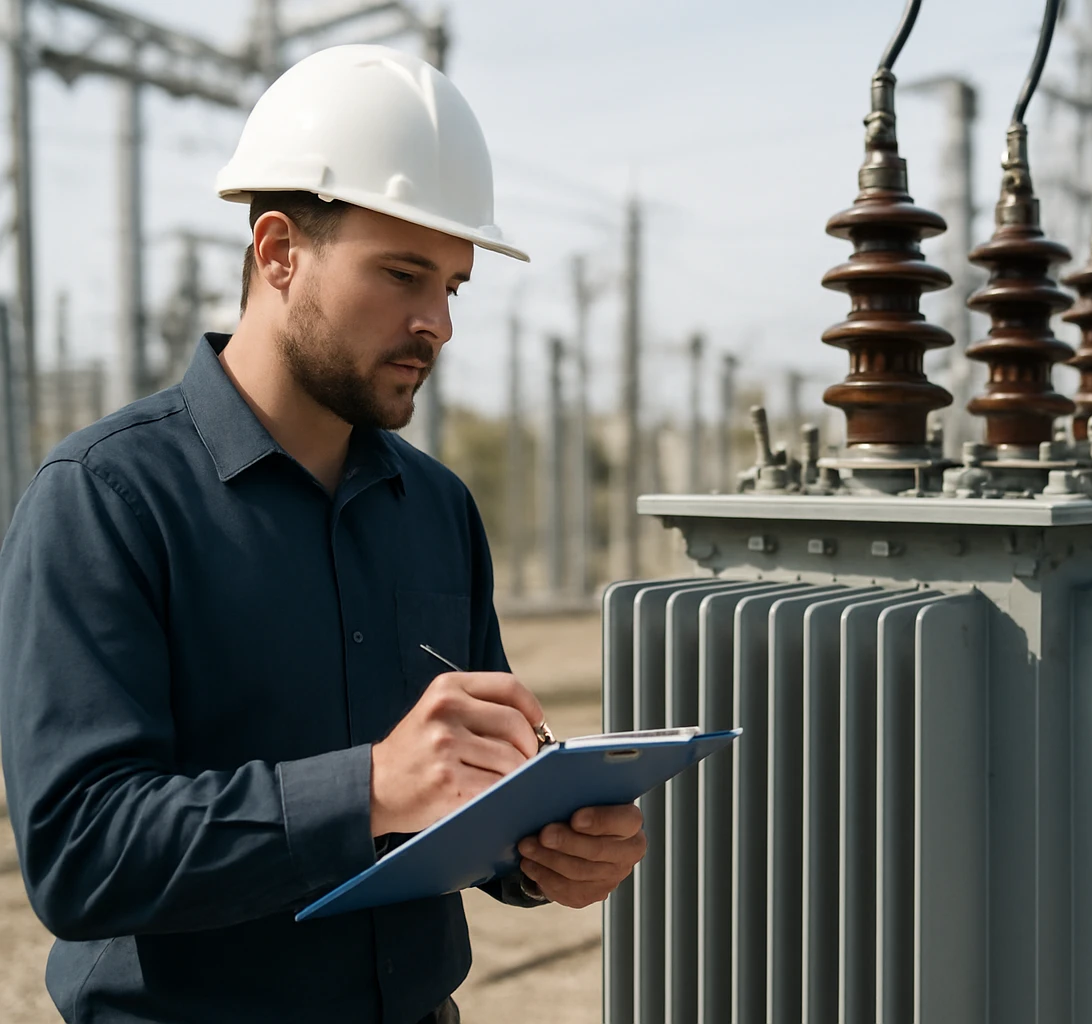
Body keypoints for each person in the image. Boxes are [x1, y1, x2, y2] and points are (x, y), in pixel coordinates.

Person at [0, 44, 645, 1024]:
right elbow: (82, 852)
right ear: (277, 252)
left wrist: (541, 848)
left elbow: (460, 793)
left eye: (453, 287)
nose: (436, 322)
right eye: (401, 273)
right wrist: (369, 787)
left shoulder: (437, 510)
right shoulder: (106, 500)